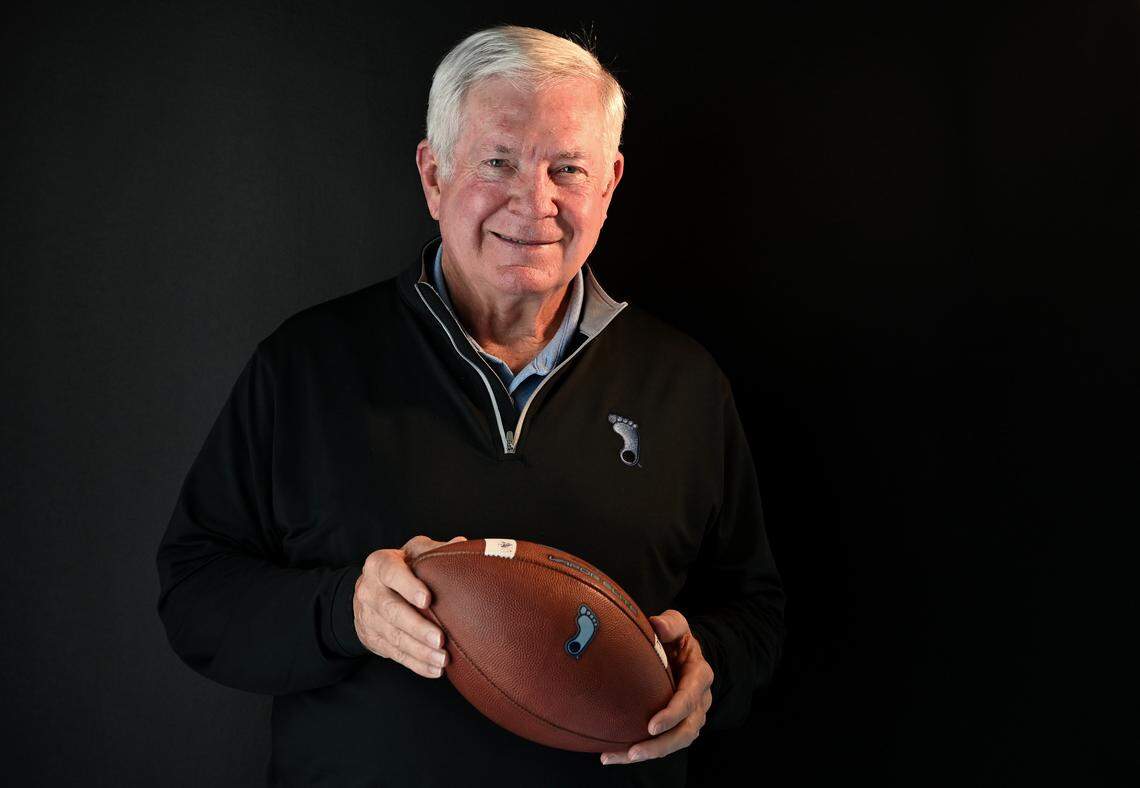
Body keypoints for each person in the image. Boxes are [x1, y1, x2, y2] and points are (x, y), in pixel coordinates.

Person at [155, 24, 785, 787]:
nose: (536, 200)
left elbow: (754, 608)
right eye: (498, 161)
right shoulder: (308, 366)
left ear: (610, 183)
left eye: (568, 168)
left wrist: (704, 661)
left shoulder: (683, 383)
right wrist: (345, 609)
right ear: (433, 174)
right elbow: (195, 592)